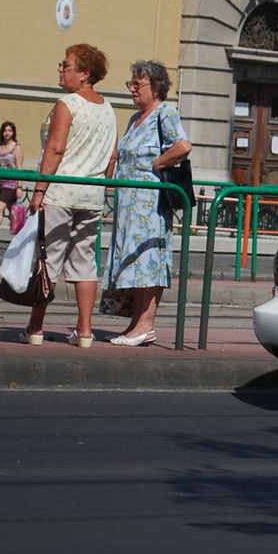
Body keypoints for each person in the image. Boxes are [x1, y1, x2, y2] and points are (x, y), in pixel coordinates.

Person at [24, 44, 118, 348]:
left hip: (61, 190)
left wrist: (40, 189)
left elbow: (56, 149)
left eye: (67, 65)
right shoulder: (108, 107)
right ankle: (85, 331)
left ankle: (36, 327)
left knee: (50, 258)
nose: (61, 69)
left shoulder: (68, 103)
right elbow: (113, 156)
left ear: (84, 74)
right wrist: (105, 183)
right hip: (91, 195)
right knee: (85, 261)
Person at [101, 61, 192, 347]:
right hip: (129, 207)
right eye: (130, 83)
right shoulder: (136, 118)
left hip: (150, 205)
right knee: (135, 261)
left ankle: (146, 324)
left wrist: (157, 164)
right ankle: (136, 323)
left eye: (136, 84)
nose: (131, 88)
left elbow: (183, 146)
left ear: (155, 87)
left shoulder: (165, 112)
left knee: (149, 261)